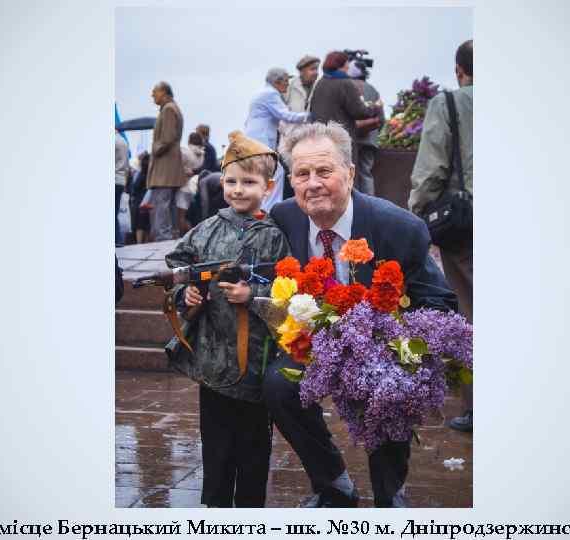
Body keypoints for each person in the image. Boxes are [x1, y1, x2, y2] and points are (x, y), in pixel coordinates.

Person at [264, 122, 458, 508]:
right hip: (316, 341)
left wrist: (400, 346)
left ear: (350, 173)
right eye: (302, 174)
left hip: (381, 341)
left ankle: (389, 493)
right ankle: (334, 484)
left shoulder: (399, 228)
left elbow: (439, 300)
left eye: (324, 171)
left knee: (389, 384)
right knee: (277, 385)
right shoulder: (283, 218)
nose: (313, 184)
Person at [165, 131, 291, 507]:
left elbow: (288, 289)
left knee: (254, 446)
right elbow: (178, 265)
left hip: (256, 362)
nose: (238, 190)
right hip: (213, 358)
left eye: (249, 182)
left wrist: (253, 295)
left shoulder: (275, 237)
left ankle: (250, 508)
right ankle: (216, 507)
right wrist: (185, 294)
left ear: (268, 187)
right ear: (222, 183)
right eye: (231, 181)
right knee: (216, 443)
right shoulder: (206, 228)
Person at [408, 40, 473, 433]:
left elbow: (431, 169)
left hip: (468, 223)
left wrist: (415, 215)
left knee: (472, 312)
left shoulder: (450, 102)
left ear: (459, 71)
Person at [244, 67, 308, 213]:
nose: (288, 84)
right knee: (276, 172)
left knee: (264, 175)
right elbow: (286, 116)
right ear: (277, 81)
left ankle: (260, 208)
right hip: (261, 142)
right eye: (286, 81)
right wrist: (309, 116)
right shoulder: (271, 94)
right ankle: (270, 210)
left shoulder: (261, 93)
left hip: (254, 141)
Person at [308, 51, 381, 170]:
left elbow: (312, 108)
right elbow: (359, 111)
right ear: (340, 65)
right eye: (347, 63)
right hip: (341, 138)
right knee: (344, 173)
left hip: (321, 137)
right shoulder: (345, 83)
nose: (348, 66)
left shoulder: (320, 82)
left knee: (325, 171)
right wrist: (375, 107)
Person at [147, 81, 186, 241]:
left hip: (165, 168)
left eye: (154, 91)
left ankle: (163, 239)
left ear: (164, 92)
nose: (152, 95)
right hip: (169, 167)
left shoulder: (169, 109)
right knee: (167, 205)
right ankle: (168, 238)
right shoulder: (171, 108)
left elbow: (168, 138)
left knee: (162, 205)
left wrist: (155, 149)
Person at [348, 60, 385, 195]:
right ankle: (369, 202)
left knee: (350, 173)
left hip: (352, 139)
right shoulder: (373, 90)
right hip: (370, 140)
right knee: (366, 173)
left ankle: (352, 204)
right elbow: (382, 119)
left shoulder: (348, 87)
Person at [175, 145, 204, 236]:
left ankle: (188, 236)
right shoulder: (199, 157)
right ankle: (193, 235)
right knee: (185, 217)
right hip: (190, 189)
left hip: (182, 190)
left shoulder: (184, 160)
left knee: (180, 217)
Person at [130, 151, 151, 245]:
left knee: (139, 224)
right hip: (150, 202)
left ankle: (139, 244)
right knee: (147, 224)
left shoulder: (141, 174)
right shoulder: (151, 175)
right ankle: (147, 242)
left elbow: (135, 187)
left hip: (140, 202)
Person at [115, 129, 130, 247]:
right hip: (120, 180)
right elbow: (127, 166)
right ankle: (118, 239)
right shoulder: (123, 141)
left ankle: (117, 239)